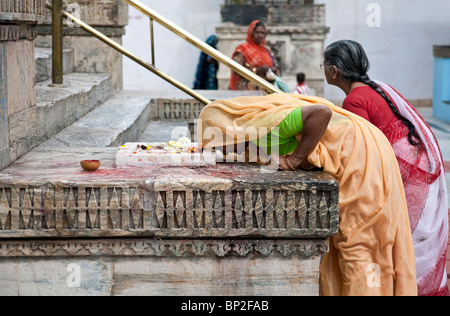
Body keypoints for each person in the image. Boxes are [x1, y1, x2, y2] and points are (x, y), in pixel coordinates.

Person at [198, 92, 417, 296]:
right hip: (360, 152)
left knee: (361, 245)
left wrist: (294, 161)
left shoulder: (270, 121)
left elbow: (321, 113)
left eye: (219, 143)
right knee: (344, 250)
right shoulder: (254, 137)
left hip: (360, 158)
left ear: (230, 129)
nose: (222, 151)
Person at [322, 40, 449, 297]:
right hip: (415, 163)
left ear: (334, 71)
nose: (323, 69)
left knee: (405, 236)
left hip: (406, 169)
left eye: (323, 65)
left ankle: (410, 288)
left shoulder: (354, 100)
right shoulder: (374, 89)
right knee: (413, 235)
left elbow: (360, 151)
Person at [229, 20, 280, 91]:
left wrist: (270, 69)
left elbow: (276, 67)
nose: (260, 35)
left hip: (267, 90)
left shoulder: (267, 50)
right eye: (257, 32)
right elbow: (236, 70)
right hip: (247, 91)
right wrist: (256, 70)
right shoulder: (242, 49)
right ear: (251, 32)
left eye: (262, 33)